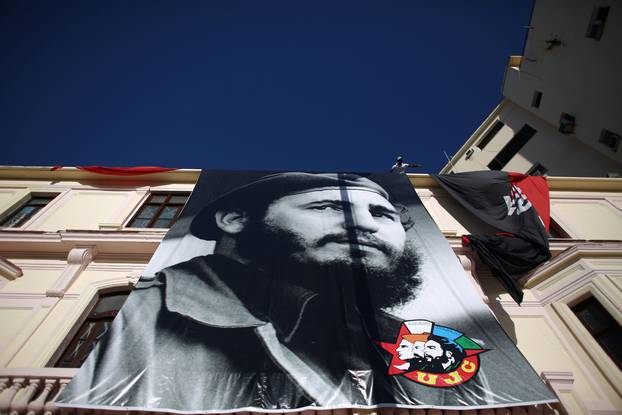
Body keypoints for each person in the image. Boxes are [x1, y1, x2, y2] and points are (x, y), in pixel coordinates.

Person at [63, 172, 424, 411]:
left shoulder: (410, 339)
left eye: (383, 214)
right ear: (234, 220)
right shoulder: (145, 308)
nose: (366, 225)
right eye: (329, 207)